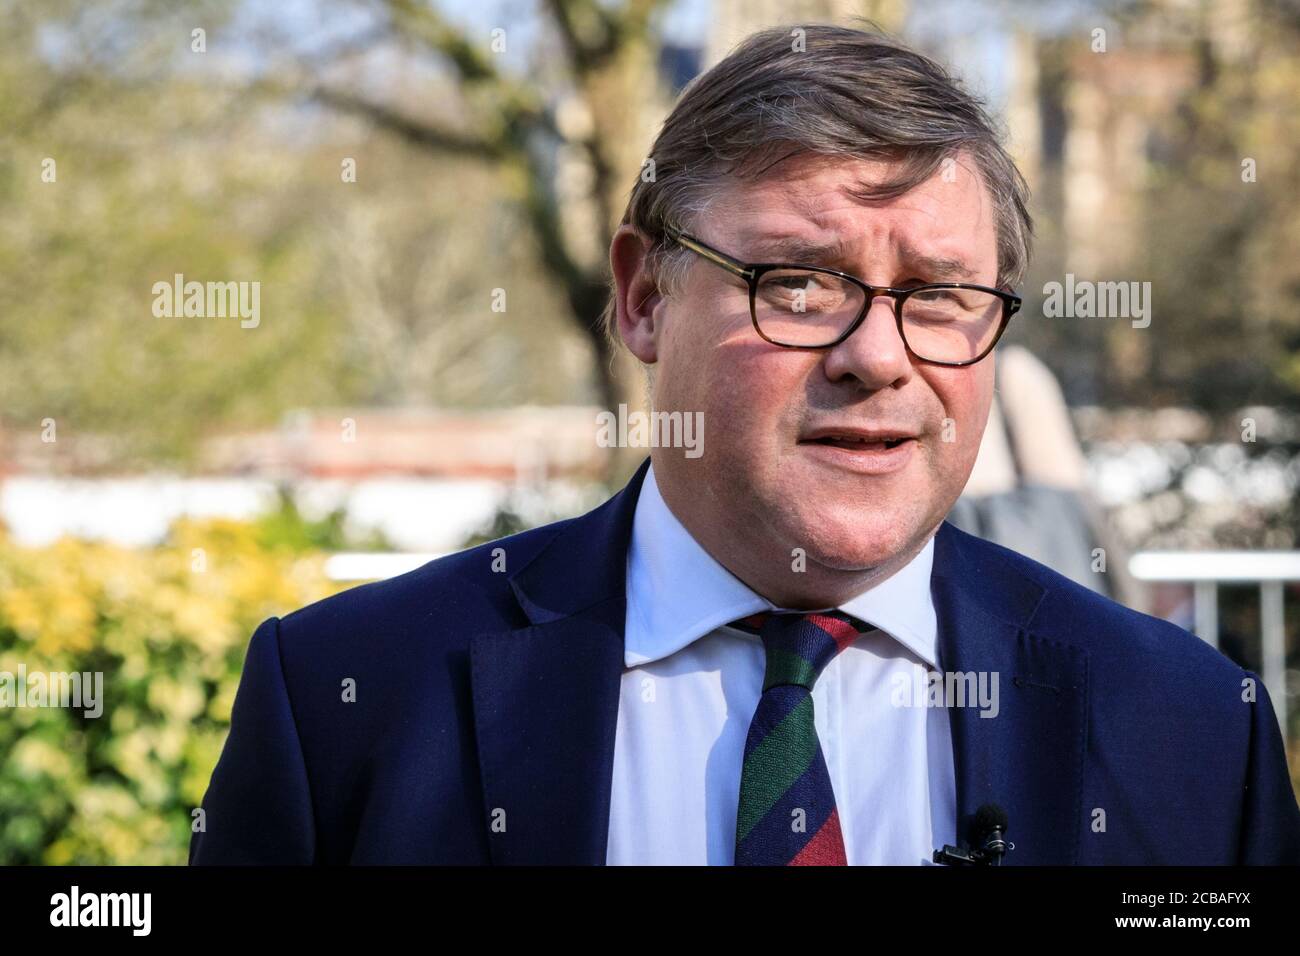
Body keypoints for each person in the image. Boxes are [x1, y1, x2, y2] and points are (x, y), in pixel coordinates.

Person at [190, 23, 1300, 865]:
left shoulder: (1193, 731)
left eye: (940, 294)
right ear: (640, 297)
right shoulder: (350, 698)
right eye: (801, 282)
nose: (879, 355)